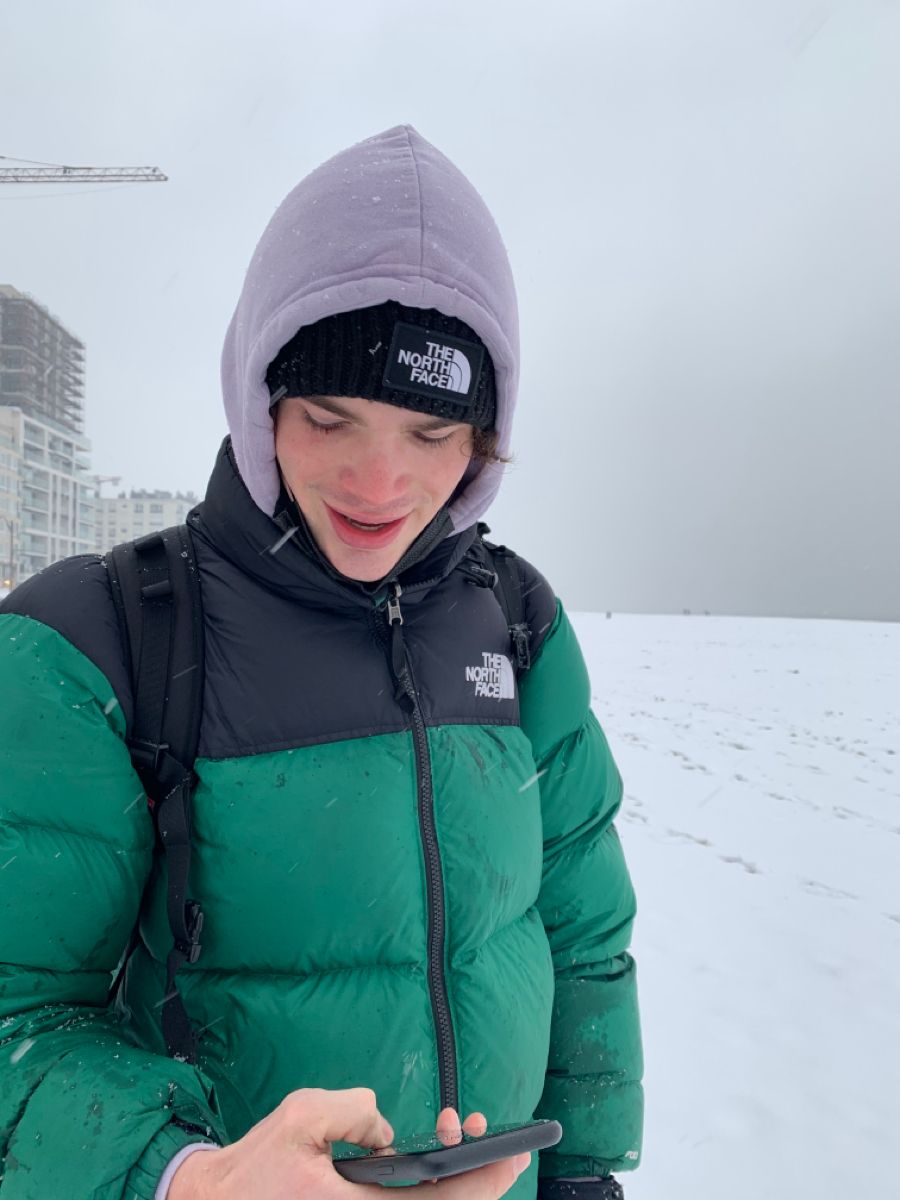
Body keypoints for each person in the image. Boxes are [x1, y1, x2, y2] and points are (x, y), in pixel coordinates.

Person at [0, 126, 643, 1199]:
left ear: (485, 439)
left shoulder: (517, 624)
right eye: (330, 417)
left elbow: (583, 943)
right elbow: (16, 1018)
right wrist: (189, 1177)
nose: (379, 484)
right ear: (258, 402)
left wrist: (580, 1176)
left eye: (432, 433)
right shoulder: (96, 643)